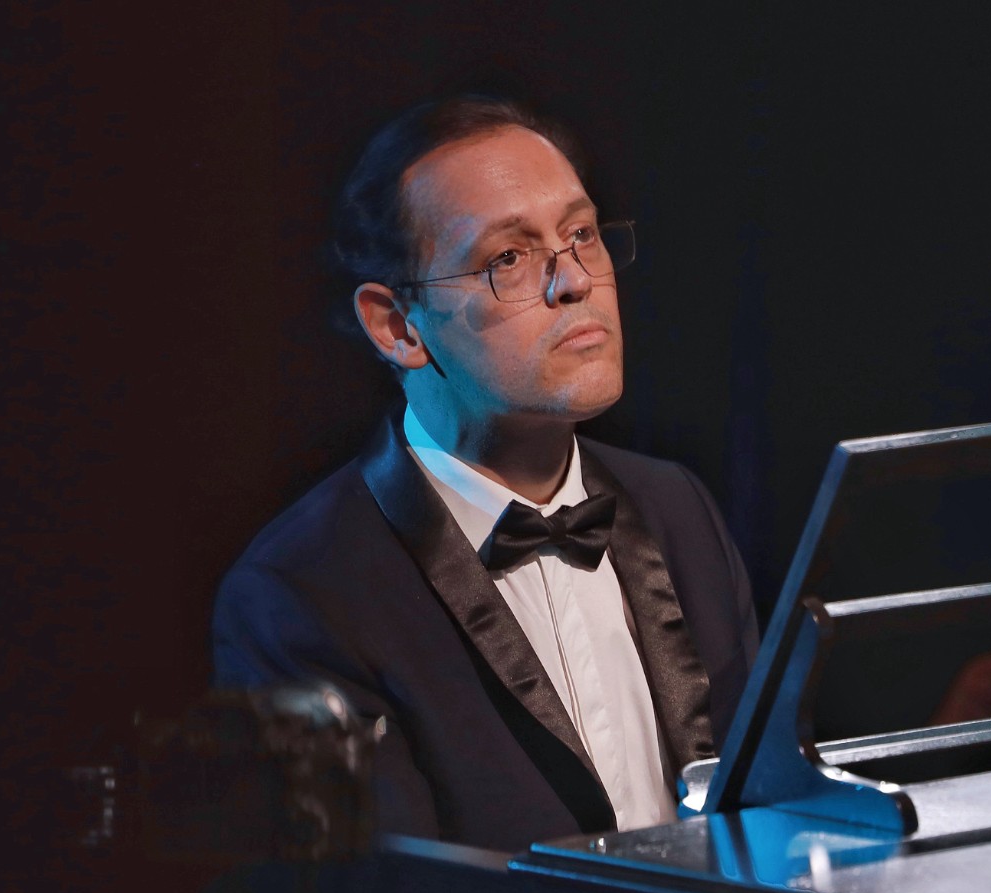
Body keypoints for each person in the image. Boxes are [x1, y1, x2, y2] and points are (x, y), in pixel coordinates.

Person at [211, 96, 759, 852]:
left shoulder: (676, 506)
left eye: (581, 235)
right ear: (397, 327)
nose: (574, 282)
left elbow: (760, 816)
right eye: (508, 258)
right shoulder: (302, 592)